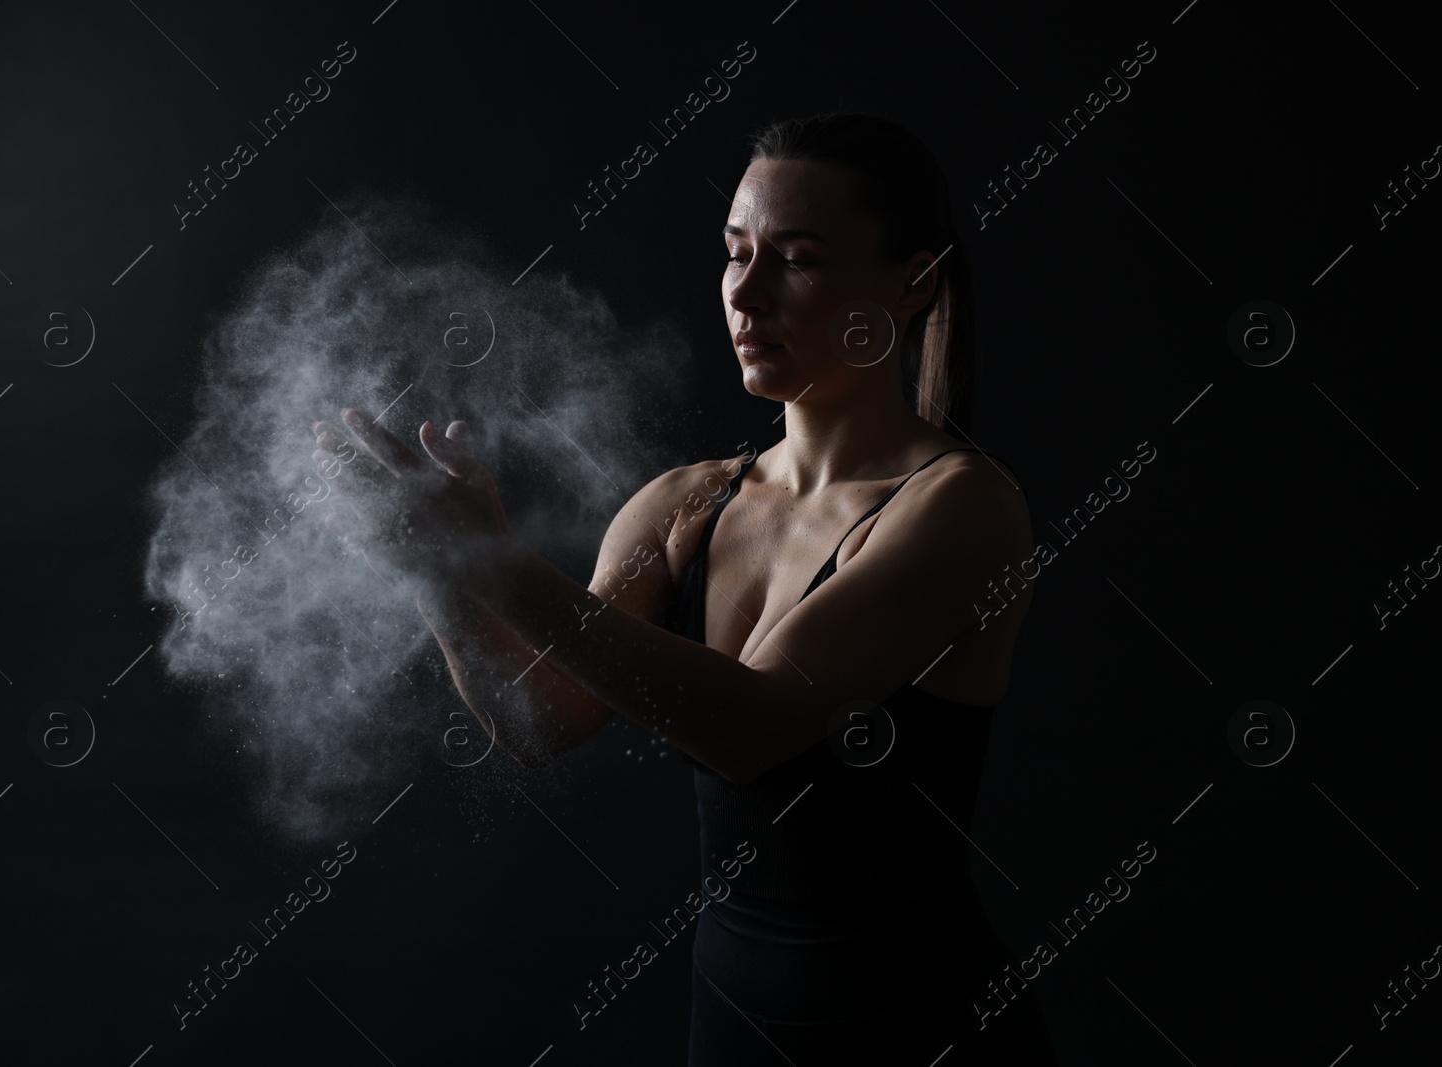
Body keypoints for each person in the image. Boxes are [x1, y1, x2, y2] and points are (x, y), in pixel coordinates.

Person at [311, 111, 1057, 1064]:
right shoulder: (683, 506)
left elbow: (748, 729)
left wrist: (495, 559)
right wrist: (438, 569)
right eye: (736, 253)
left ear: (909, 284)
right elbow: (541, 718)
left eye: (798, 259)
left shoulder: (963, 508)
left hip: (922, 1029)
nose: (748, 292)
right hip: (734, 1025)